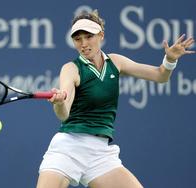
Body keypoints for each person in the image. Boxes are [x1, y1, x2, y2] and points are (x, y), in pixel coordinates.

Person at [36, 9, 195, 188]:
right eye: (77, 39)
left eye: (89, 37)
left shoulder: (116, 62)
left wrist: (170, 60)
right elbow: (64, 114)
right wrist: (58, 104)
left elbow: (160, 76)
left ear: (101, 35)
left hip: (100, 153)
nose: (83, 44)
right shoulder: (71, 69)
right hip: (68, 149)